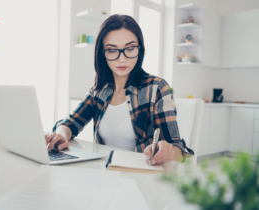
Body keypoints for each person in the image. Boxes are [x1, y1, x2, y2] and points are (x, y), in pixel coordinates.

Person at [45, 14, 194, 165]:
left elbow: (178, 150)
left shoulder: (156, 88)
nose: (122, 59)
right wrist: (62, 135)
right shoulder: (99, 90)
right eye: (112, 50)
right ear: (102, 54)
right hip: (104, 174)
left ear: (140, 49)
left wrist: (168, 150)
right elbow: (70, 123)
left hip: (141, 178)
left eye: (129, 48)